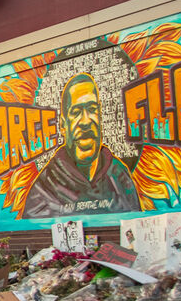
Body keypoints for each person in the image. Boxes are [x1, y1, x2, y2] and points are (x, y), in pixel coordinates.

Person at [20, 73, 141, 219]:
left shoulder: (119, 176)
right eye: (76, 112)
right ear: (63, 125)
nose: (85, 121)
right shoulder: (44, 190)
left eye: (92, 109)